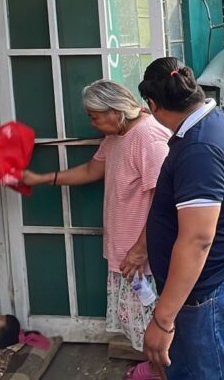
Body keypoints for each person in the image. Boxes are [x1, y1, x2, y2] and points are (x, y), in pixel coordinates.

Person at [22, 80, 171, 380]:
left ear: (115, 111)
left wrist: (141, 249)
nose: (92, 123)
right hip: (127, 251)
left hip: (143, 256)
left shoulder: (148, 136)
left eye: (94, 116)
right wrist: (42, 179)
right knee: (140, 322)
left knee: (156, 325)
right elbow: (93, 169)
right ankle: (156, 368)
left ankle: (164, 372)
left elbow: (164, 200)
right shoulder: (117, 136)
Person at [139, 58, 224, 380]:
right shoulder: (211, 121)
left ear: (153, 105)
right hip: (205, 288)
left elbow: (197, 240)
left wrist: (162, 320)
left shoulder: (200, 147)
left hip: (211, 291)